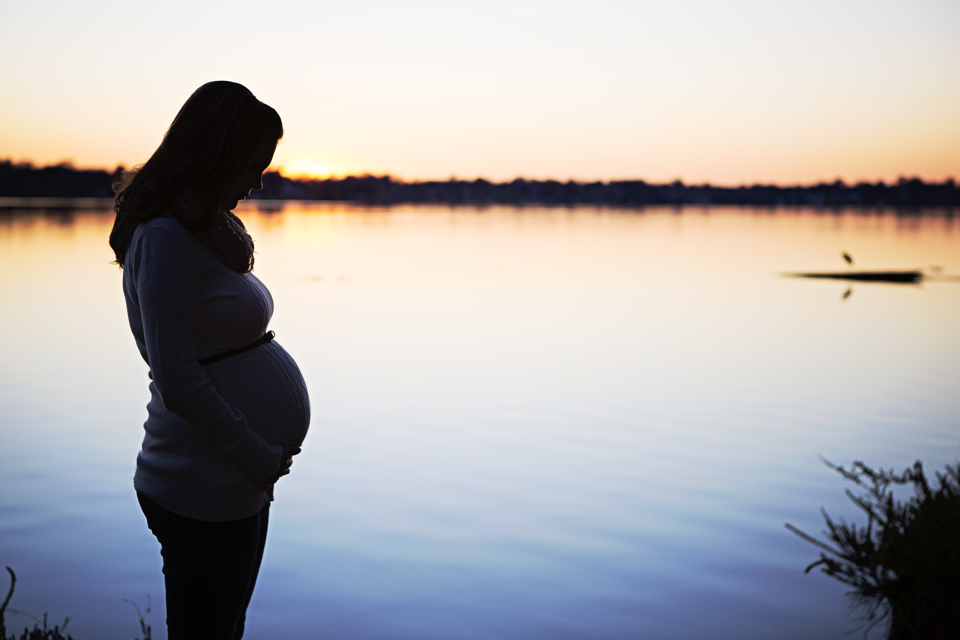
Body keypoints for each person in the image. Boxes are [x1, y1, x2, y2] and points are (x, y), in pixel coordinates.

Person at [109, 81, 310, 640]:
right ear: (215, 153)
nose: (257, 181)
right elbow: (176, 377)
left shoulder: (206, 234)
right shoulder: (165, 238)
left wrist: (257, 463)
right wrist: (254, 454)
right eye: (251, 164)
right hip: (200, 483)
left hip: (233, 479)